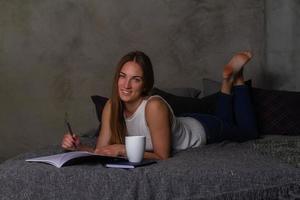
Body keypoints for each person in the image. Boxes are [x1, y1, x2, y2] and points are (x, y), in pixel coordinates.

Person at [61, 51, 259, 160]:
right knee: (224, 118)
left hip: (204, 129)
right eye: (122, 77)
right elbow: (102, 151)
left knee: (248, 132)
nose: (126, 85)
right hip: (183, 121)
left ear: (145, 84)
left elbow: (162, 156)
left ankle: (238, 79)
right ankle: (227, 80)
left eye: (135, 79)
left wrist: (123, 149)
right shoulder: (112, 106)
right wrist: (79, 147)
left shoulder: (154, 106)